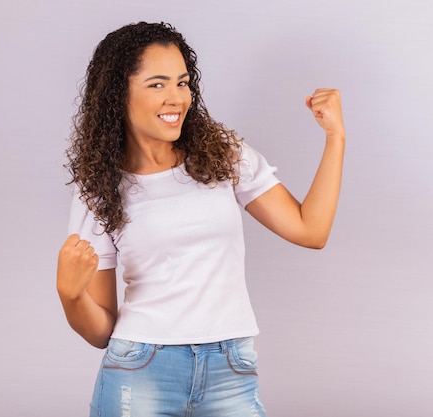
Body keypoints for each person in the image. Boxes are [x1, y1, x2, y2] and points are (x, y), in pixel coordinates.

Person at [57, 21, 345, 417]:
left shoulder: (223, 156)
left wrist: (335, 138)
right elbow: (101, 332)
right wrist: (70, 296)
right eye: (157, 85)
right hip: (141, 370)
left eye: (182, 82)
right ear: (117, 95)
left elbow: (311, 231)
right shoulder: (99, 187)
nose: (176, 98)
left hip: (231, 366)